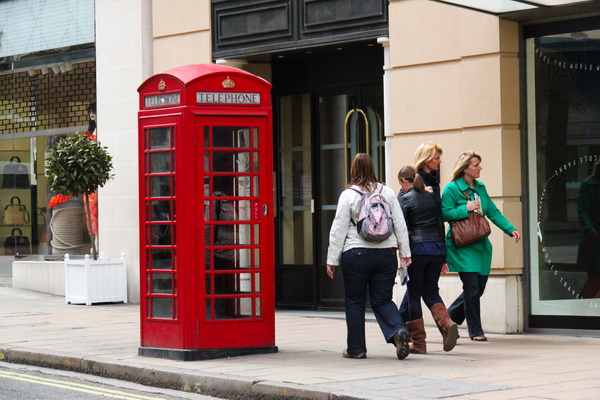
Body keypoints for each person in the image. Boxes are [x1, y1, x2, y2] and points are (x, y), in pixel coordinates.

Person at [326, 153, 412, 360]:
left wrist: (332, 259)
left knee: (355, 302)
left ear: (353, 170)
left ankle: (356, 349)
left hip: (356, 253)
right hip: (386, 253)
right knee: (383, 299)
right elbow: (400, 224)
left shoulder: (348, 195)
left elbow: (338, 229)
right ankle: (398, 330)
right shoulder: (388, 192)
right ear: (373, 169)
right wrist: (405, 254)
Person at [442, 151, 520, 341]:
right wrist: (465, 208)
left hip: (481, 244)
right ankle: (475, 331)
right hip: (462, 245)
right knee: (472, 289)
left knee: (479, 288)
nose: (480, 168)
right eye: (476, 165)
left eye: (479, 164)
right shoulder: (451, 189)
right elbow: (444, 214)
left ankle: (447, 320)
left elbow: (492, 211)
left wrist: (510, 229)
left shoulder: (480, 187)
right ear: (465, 168)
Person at [397, 166, 458, 354]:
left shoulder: (404, 199)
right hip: (436, 250)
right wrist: (444, 257)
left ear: (403, 182)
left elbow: (402, 229)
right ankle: (447, 324)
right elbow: (441, 226)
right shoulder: (432, 197)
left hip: (416, 251)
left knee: (414, 293)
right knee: (431, 291)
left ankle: (420, 343)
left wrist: (402, 255)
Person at [578, 160, 600, 298]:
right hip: (595, 237)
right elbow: (582, 210)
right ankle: (580, 308)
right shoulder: (588, 185)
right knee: (595, 275)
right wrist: (589, 228)